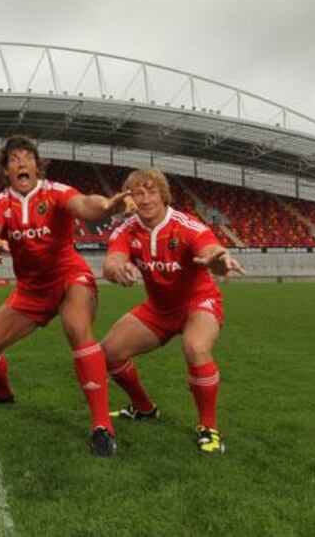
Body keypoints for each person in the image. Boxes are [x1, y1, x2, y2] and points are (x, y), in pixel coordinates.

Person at [0, 135, 132, 457]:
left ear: (37, 164)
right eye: (14, 159)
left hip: (70, 277)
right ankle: (3, 394)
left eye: (27, 157)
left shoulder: (56, 192)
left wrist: (107, 206)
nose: (21, 163)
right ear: (5, 170)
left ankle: (102, 426)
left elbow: (86, 205)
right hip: (31, 290)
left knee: (77, 329)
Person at [99, 167, 245, 455]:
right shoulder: (126, 230)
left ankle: (208, 427)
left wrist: (219, 260)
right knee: (110, 352)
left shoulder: (187, 225)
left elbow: (210, 250)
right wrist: (117, 269)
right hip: (159, 309)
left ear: (163, 194)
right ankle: (144, 409)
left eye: (151, 191)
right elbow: (111, 261)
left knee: (195, 347)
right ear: (130, 199)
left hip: (199, 303)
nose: (145, 199)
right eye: (137, 193)